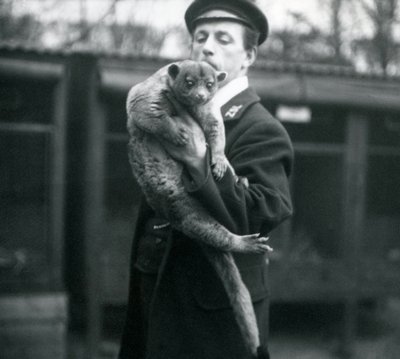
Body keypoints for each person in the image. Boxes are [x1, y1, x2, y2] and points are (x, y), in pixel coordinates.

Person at [118, 0, 293, 358]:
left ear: (249, 57)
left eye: (223, 38)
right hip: (155, 287)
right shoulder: (171, 104)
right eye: (200, 37)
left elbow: (263, 215)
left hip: (213, 316)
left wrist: (200, 161)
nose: (207, 46)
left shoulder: (261, 129)